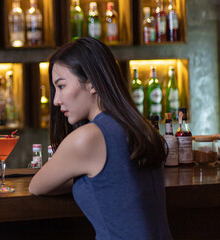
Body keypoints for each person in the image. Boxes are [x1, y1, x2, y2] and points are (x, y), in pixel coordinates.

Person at [28, 38, 172, 239]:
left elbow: (36, 186)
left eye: (61, 86)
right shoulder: (141, 128)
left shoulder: (87, 138)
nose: (56, 100)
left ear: (93, 83)